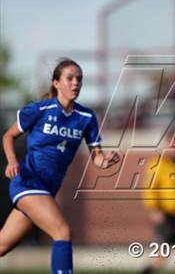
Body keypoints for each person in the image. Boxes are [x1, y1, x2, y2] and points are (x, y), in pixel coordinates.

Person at [0, 58, 120, 273]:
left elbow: (98, 158)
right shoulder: (40, 109)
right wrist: (11, 161)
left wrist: (107, 159)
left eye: (79, 79)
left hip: (47, 190)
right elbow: (8, 136)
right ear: (56, 83)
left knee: (2, 245)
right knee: (62, 232)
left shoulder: (86, 117)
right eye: (70, 78)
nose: (75, 83)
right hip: (28, 182)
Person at [140, 131, 175, 274]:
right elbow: (150, 188)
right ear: (165, 146)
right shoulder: (157, 164)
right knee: (160, 258)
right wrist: (154, 210)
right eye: (171, 146)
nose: (174, 149)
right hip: (165, 216)